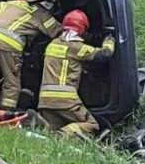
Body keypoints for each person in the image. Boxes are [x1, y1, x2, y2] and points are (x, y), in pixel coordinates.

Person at [0, 0, 60, 112]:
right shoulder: (41, 14)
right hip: (9, 45)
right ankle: (6, 110)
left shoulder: (12, 4)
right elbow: (56, 31)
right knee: (11, 79)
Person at [36, 9, 115, 138]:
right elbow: (104, 54)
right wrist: (109, 39)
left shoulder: (52, 44)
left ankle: (47, 131)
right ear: (82, 29)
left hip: (45, 100)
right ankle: (62, 135)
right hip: (66, 100)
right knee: (91, 124)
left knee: (50, 132)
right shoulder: (75, 47)